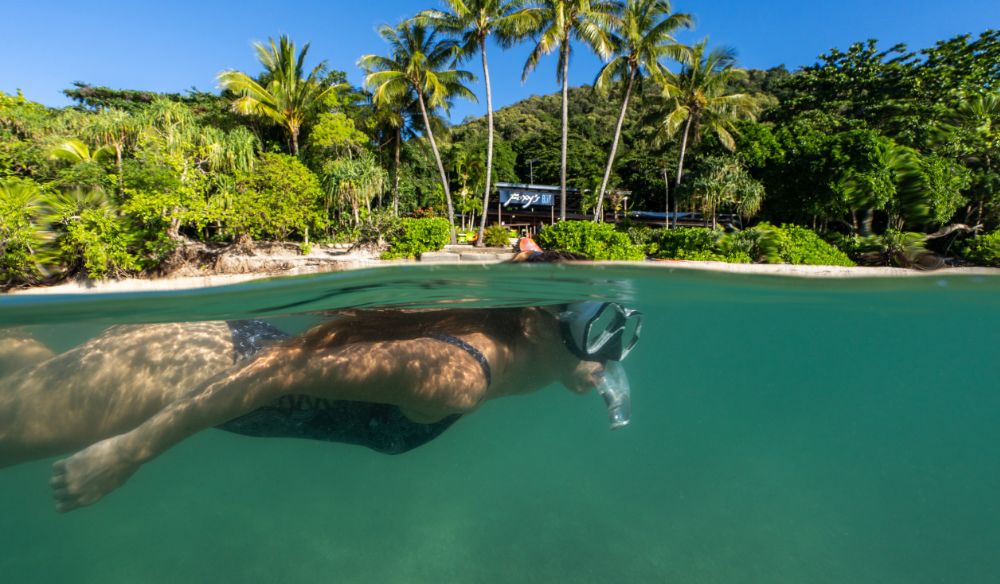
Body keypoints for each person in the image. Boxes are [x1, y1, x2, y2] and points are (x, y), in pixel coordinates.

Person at [0, 297, 641, 513]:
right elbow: (282, 368)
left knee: (30, 386)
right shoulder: (458, 376)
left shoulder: (505, 354)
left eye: (619, 335)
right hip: (189, 374)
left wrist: (587, 367)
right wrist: (128, 452)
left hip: (210, 355)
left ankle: (20, 349)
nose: (610, 350)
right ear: (531, 323)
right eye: (594, 329)